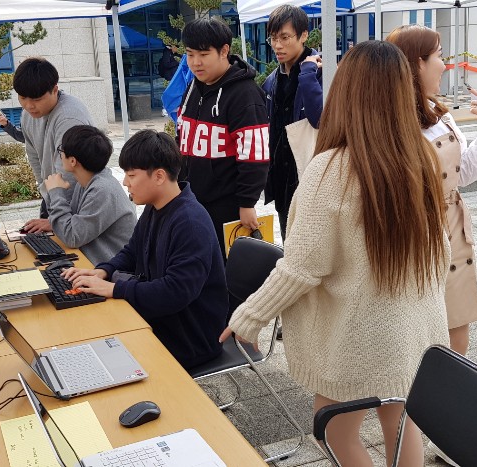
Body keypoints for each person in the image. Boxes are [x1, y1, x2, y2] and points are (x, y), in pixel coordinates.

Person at [220, 41, 450, 467]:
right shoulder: (418, 157)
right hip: (412, 328)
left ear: (345, 93)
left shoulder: (331, 169)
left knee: (332, 430)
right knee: (401, 426)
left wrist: (250, 316)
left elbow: (302, 266)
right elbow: (441, 250)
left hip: (357, 337)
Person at [386, 23, 477, 467]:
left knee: (457, 331)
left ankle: (445, 431)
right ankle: (415, 425)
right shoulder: (389, 122)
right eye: (437, 57)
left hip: (453, 228)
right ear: (415, 64)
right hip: (416, 235)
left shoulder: (440, 112)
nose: (444, 65)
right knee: (419, 337)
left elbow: (463, 174)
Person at [62, 130, 228, 370]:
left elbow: (175, 292)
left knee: (99, 351)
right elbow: (133, 251)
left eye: (131, 175)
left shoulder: (190, 223)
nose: (125, 182)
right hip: (163, 319)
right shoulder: (155, 207)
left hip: (190, 338)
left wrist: (115, 289)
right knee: (85, 331)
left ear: (159, 176)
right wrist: (104, 271)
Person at [176, 17, 270, 256]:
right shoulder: (192, 88)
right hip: (191, 201)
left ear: (224, 51)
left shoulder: (246, 95)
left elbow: (254, 155)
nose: (195, 63)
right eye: (190, 54)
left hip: (227, 208)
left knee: (224, 269)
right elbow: (181, 139)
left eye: (203, 54)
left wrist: (247, 203)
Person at [12, 57, 94, 234]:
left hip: (79, 200)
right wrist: (48, 195)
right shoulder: (27, 115)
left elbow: (70, 171)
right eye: (23, 98)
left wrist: (57, 219)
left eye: (37, 99)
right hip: (54, 195)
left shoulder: (69, 117)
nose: (29, 105)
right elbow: (34, 157)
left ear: (55, 90)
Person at [261, 4, 323, 238]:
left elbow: (320, 119)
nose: (278, 45)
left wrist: (307, 74)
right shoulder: (272, 81)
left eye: (285, 37)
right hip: (282, 180)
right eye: (273, 38)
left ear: (303, 35)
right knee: (289, 243)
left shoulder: (321, 73)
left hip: (311, 180)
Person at [43, 125, 136, 266]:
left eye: (61, 150)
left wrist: (56, 192)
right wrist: (52, 223)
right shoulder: (86, 182)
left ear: (73, 161)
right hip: (91, 264)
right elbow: (75, 223)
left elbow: (72, 237)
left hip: (111, 270)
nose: (60, 155)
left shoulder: (102, 190)